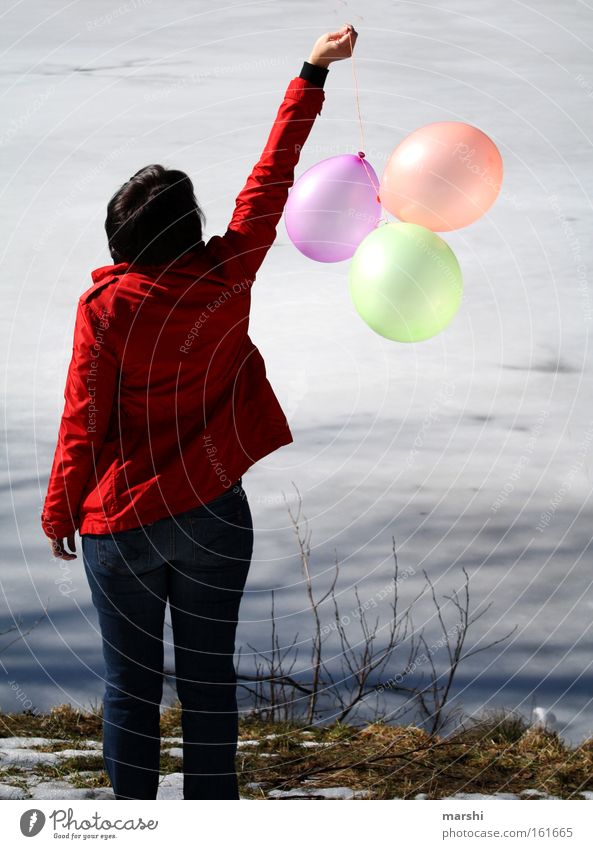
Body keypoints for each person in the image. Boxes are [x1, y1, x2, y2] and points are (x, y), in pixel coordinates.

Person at [40, 24, 358, 801]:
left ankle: (135, 827)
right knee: (210, 684)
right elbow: (270, 180)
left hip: (125, 524)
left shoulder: (109, 307)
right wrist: (310, 73)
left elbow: (83, 417)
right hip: (215, 513)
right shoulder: (228, 271)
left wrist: (59, 510)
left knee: (130, 690)